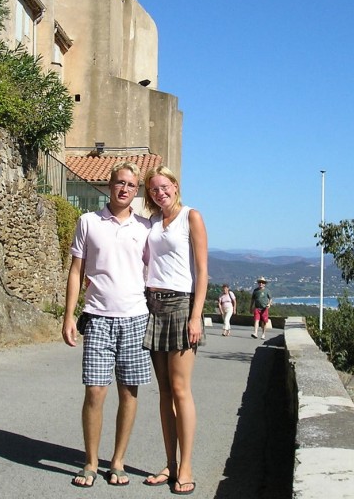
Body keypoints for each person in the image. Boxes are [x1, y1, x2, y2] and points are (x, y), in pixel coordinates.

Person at [62, 162, 152, 488]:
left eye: (130, 184)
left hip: (135, 319)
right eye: (119, 183)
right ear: (110, 186)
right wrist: (68, 315)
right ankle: (89, 462)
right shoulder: (88, 222)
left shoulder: (145, 228)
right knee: (95, 393)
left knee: (129, 393)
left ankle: (117, 461)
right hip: (97, 318)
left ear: (136, 189)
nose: (124, 189)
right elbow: (76, 270)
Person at [142, 165, 208, 496]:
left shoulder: (191, 217)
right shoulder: (153, 222)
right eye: (153, 189)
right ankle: (170, 463)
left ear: (175, 185)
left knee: (181, 390)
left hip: (182, 307)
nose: (159, 193)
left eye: (164, 187)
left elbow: (202, 270)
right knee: (164, 391)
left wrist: (196, 316)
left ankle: (186, 466)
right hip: (153, 306)